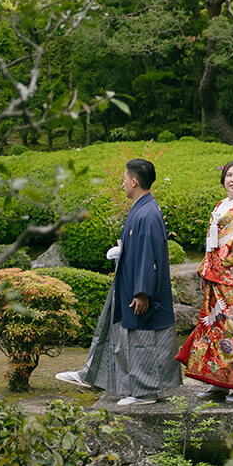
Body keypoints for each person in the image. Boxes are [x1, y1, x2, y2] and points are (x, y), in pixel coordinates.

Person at [55, 158, 182, 405]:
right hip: (129, 283)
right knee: (118, 333)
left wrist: (143, 292)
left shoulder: (146, 212)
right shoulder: (143, 208)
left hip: (140, 288)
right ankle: (94, 375)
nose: (122, 183)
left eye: (124, 178)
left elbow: (148, 254)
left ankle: (145, 393)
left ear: (134, 181)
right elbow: (140, 249)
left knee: (141, 339)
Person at [176, 160, 233, 404]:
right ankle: (218, 384)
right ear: (223, 180)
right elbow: (212, 245)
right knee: (215, 333)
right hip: (216, 282)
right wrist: (205, 271)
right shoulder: (220, 207)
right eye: (229, 175)